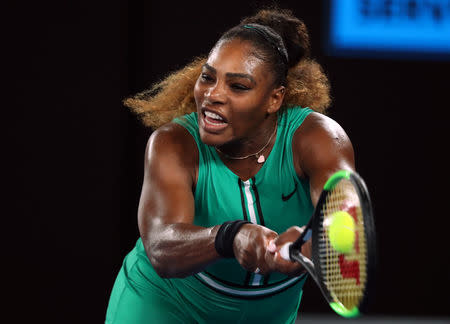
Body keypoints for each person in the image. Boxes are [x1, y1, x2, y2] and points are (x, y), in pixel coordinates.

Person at [106, 8, 355, 324]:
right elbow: (161, 248)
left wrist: (312, 243)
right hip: (165, 304)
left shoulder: (320, 140)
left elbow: (343, 228)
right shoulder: (172, 143)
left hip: (268, 315)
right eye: (208, 77)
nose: (212, 95)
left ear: (274, 99)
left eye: (238, 86)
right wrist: (231, 236)